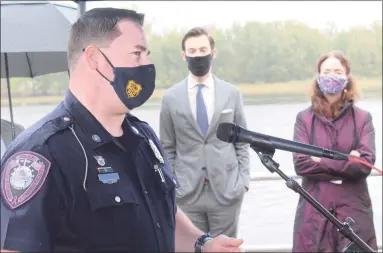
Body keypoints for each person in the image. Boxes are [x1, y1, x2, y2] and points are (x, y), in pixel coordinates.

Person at [0, 8, 245, 252]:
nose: (147, 65)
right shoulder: (41, 154)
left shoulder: (144, 138)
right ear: (95, 59)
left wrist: (203, 244)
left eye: (146, 55)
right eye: (136, 55)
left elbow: (163, 215)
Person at [159, 27, 250, 238]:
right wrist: (174, 184)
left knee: (225, 249)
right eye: (192, 51)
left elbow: (242, 142)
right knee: (189, 247)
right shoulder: (171, 98)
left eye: (202, 49)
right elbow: (167, 147)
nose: (198, 55)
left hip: (227, 191)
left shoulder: (232, 93)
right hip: (187, 193)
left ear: (213, 52)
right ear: (184, 55)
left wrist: (243, 182)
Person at [292, 50, 377, 252]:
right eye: (327, 71)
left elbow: (365, 164)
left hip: (354, 209)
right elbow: (301, 164)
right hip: (314, 209)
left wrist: (320, 161)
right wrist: (348, 160)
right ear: (318, 77)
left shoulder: (363, 118)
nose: (332, 76)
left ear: (347, 78)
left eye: (338, 71)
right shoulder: (304, 119)